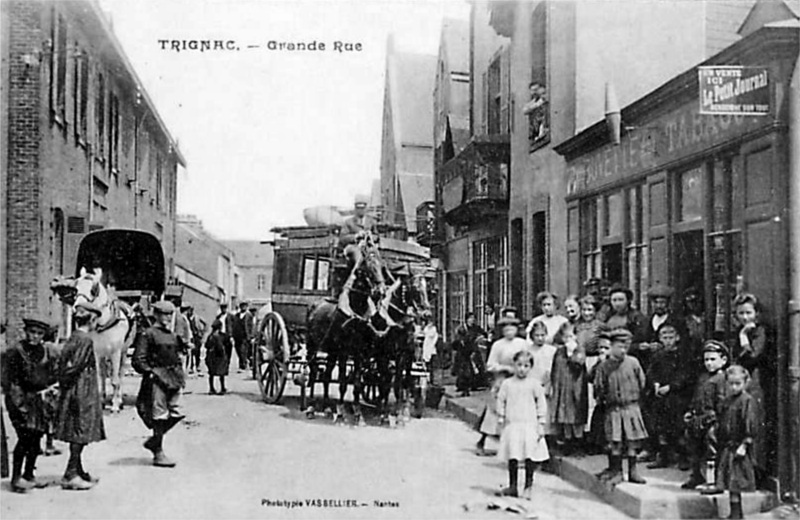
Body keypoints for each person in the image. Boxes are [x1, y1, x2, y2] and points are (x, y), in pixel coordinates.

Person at [2, 316, 60, 492]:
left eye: (39, 333)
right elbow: (8, 381)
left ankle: (29, 475)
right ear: (25, 332)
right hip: (19, 400)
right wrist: (19, 405)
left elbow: (50, 375)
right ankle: (16, 478)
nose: (34, 336)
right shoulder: (15, 352)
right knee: (24, 439)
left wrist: (52, 388)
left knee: (36, 439)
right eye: (32, 332)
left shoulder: (44, 351)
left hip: (38, 401)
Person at [55, 301, 105, 490]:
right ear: (91, 319)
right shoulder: (85, 340)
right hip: (81, 391)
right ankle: (71, 474)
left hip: (75, 389)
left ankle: (78, 469)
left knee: (79, 431)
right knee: (80, 432)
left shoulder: (74, 337)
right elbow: (74, 367)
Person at [132, 301, 186, 468]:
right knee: (159, 415)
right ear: (156, 315)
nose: (168, 318)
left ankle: (154, 441)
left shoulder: (172, 335)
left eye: (170, 314)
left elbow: (176, 354)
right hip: (156, 380)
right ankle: (159, 452)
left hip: (174, 378)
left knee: (177, 412)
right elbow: (138, 359)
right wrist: (150, 372)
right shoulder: (147, 334)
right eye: (164, 314)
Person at [593, 328, 648, 485]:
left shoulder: (633, 363)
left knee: (632, 441)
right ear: (611, 346)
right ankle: (616, 471)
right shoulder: (604, 366)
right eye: (619, 347)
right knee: (615, 442)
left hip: (631, 407)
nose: (622, 350)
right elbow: (599, 387)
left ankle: (633, 471)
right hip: (614, 409)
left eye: (625, 347)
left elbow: (642, 382)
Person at [496, 350, 549, 499]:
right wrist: (501, 416)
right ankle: (513, 486)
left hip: (529, 425)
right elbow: (501, 400)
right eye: (519, 365)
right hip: (513, 424)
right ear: (514, 365)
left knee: (529, 455)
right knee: (513, 455)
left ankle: (528, 486)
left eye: (526, 366)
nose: (522, 369)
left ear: (530, 367)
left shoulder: (534, 384)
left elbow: (541, 403)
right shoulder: (507, 384)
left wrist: (541, 423)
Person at [730, 293, 772, 481]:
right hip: (740, 385)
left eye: (748, 313)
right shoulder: (739, 332)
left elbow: (753, 356)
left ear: (756, 314)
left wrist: (743, 336)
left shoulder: (759, 332)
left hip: (756, 384)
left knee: (754, 424)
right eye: (741, 313)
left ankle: (756, 469)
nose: (745, 318)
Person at [475, 317, 528, 456]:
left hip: (518, 379)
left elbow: (528, 359)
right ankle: (482, 441)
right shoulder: (498, 345)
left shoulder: (522, 343)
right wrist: (503, 368)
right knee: (494, 411)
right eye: (506, 328)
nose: (509, 331)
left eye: (512, 328)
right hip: (501, 380)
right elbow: (490, 364)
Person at [682, 340, 729, 491]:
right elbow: (696, 397)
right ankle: (696, 476)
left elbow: (722, 403)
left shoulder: (722, 379)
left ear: (723, 360)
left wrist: (713, 418)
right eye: (706, 360)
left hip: (712, 422)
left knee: (712, 451)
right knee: (695, 448)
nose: (709, 363)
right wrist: (690, 411)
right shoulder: (703, 378)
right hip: (698, 420)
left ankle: (713, 482)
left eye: (713, 359)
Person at [645, 323, 691, 469]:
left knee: (678, 428)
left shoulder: (682, 356)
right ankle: (663, 456)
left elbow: (685, 375)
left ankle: (683, 457)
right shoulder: (658, 356)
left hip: (677, 397)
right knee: (661, 428)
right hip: (661, 397)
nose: (668, 340)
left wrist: (671, 387)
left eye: (671, 337)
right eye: (664, 337)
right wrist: (656, 384)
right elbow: (651, 372)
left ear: (677, 338)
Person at [716, 365, 758, 519]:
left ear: (745, 382)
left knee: (737, 481)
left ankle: (736, 515)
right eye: (731, 384)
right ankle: (735, 513)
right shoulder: (728, 400)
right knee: (731, 482)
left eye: (738, 384)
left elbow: (750, 424)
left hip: (739, 447)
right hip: (728, 446)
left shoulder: (746, 400)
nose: (734, 387)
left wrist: (745, 444)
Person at [548, 322, 588, 457]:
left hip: (575, 388)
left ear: (575, 336)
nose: (568, 340)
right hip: (562, 388)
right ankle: (567, 442)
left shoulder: (580, 350)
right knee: (564, 416)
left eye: (570, 336)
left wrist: (572, 354)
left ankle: (578, 444)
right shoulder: (559, 351)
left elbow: (578, 366)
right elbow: (555, 369)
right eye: (565, 337)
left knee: (575, 416)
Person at [604, 285, 648, 365]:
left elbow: (640, 340)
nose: (617, 304)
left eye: (621, 300)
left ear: (628, 301)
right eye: (614, 300)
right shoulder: (607, 317)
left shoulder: (636, 317)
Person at [587, 328, 612, 457]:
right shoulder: (599, 363)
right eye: (600, 347)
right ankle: (596, 444)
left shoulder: (614, 363)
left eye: (606, 348)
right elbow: (590, 377)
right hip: (600, 398)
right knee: (598, 420)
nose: (602, 350)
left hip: (611, 399)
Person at [452, 313, 487, 396]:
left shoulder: (476, 328)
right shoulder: (462, 328)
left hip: (473, 349)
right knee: (463, 368)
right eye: (470, 318)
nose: (472, 320)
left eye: (473, 318)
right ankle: (462, 386)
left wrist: (480, 338)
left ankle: (474, 384)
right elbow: (458, 339)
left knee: (475, 367)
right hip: (463, 350)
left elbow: (484, 333)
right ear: (466, 319)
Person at [339, 194, 379, 265]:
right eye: (358, 208)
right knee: (357, 257)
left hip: (368, 248)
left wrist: (370, 236)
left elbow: (376, 236)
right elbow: (342, 238)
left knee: (376, 258)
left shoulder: (371, 221)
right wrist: (356, 236)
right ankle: (354, 273)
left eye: (363, 208)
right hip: (353, 247)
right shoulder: (348, 222)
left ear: (366, 208)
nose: (361, 210)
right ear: (355, 209)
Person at [204, 321, 230, 395]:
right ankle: (222, 388)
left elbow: (206, 346)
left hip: (211, 356)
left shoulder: (210, 336)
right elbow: (228, 345)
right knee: (221, 373)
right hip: (220, 356)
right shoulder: (223, 336)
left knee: (211, 373)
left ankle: (211, 388)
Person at [231, 302, 249, 372]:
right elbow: (234, 326)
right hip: (237, 336)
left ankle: (243, 365)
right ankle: (241, 364)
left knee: (243, 350)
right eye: (242, 306)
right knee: (238, 350)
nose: (243, 308)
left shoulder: (248, 315)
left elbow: (251, 326)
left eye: (244, 306)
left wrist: (250, 336)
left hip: (245, 336)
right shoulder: (236, 315)